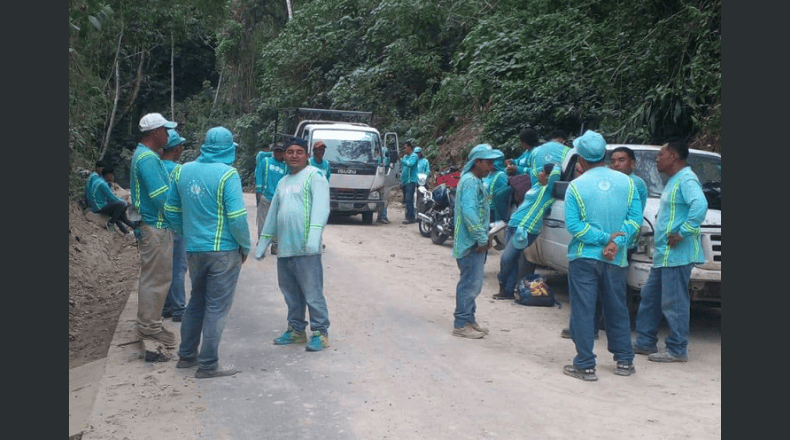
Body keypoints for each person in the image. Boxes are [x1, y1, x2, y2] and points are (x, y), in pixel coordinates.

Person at [164, 126, 250, 379]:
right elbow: (236, 217)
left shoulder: (183, 170)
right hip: (223, 251)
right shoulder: (227, 174)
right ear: (228, 149)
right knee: (216, 308)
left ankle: (186, 356)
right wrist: (244, 246)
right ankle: (208, 364)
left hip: (194, 250)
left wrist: (188, 234)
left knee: (196, 303)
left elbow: (170, 210)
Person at [562, 130, 642, 381]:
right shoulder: (627, 183)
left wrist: (601, 238)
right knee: (616, 307)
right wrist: (616, 241)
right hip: (615, 258)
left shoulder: (576, 186)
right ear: (605, 155)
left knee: (584, 310)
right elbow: (635, 221)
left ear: (581, 160)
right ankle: (625, 361)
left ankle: (585, 364)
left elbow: (574, 226)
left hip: (584, 257)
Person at [633, 141, 708, 363]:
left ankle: (677, 349)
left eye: (660, 154)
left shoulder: (687, 179)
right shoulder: (676, 180)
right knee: (650, 298)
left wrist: (683, 231)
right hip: (665, 255)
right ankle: (645, 342)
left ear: (673, 156)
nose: (657, 159)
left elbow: (700, 205)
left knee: (673, 302)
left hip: (677, 255)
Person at [255, 137, 332, 352]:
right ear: (284, 155)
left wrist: (314, 237)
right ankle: (297, 330)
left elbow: (321, 207)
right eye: (290, 152)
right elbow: (272, 214)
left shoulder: (315, 177)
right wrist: (264, 242)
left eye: (299, 152)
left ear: (306, 155)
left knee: (312, 292)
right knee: (290, 293)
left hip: (307, 249)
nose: (294, 155)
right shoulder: (283, 182)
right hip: (285, 249)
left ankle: (320, 332)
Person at [130, 112, 178, 348]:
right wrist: (178, 220)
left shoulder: (144, 155)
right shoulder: (148, 159)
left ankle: (149, 323)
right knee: (156, 279)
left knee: (154, 277)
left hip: (151, 224)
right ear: (156, 132)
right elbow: (160, 196)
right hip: (156, 226)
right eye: (166, 131)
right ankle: (150, 327)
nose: (169, 135)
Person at [451, 144, 500, 339]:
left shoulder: (475, 181)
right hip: (470, 242)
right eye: (487, 162)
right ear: (477, 162)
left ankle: (469, 319)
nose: (491, 166)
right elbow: (469, 212)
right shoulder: (471, 182)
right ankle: (461, 322)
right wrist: (481, 237)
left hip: (474, 240)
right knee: (470, 284)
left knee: (473, 282)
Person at [494, 161, 561, 300]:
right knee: (511, 259)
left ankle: (503, 283)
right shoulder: (536, 185)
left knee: (506, 258)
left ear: (549, 177)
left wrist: (557, 164)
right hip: (513, 224)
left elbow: (556, 173)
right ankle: (507, 291)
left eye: (543, 172)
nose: (539, 173)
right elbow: (533, 170)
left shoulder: (549, 191)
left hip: (526, 229)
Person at [160, 129, 188, 323]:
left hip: (157, 224)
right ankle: (178, 308)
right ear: (177, 149)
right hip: (177, 224)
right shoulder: (179, 171)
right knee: (178, 268)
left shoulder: (155, 167)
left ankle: (166, 306)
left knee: (163, 267)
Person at [255, 143, 288, 254]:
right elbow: (259, 176)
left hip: (279, 199)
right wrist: (258, 194)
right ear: (273, 152)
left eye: (280, 151)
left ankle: (275, 245)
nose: (278, 153)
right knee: (263, 223)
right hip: (266, 197)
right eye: (276, 151)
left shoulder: (285, 166)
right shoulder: (266, 162)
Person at [87, 165, 136, 234]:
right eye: (113, 175)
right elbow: (112, 198)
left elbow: (112, 197)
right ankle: (110, 224)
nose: (113, 177)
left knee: (119, 213)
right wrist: (124, 202)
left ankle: (129, 230)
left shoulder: (100, 181)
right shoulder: (102, 184)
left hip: (98, 205)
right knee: (122, 205)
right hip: (99, 206)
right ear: (108, 175)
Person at [483, 149, 510, 223]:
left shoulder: (501, 175)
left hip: (493, 212)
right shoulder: (488, 174)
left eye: (490, 161)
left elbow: (503, 197)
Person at [400, 141, 419, 224]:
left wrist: (401, 160)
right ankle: (407, 215)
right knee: (406, 200)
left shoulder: (414, 156)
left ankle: (411, 217)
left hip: (411, 180)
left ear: (409, 148)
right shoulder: (405, 156)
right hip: (404, 181)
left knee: (409, 199)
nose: (404, 149)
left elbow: (410, 164)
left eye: (405, 147)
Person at [377, 145, 392, 224]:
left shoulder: (378, 159)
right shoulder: (386, 160)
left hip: (377, 182)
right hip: (385, 182)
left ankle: (379, 216)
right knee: (384, 200)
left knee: (379, 199)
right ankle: (383, 216)